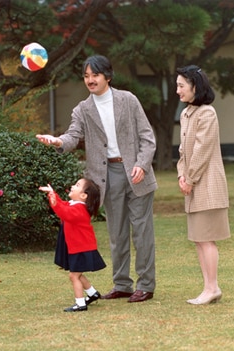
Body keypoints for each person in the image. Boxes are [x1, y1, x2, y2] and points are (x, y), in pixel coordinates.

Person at [36, 55, 157, 303]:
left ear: (107, 76)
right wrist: (57, 141)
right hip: (105, 177)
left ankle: (145, 285)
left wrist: (142, 164)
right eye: (86, 76)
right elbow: (72, 136)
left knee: (142, 232)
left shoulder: (129, 100)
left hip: (136, 172)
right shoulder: (82, 109)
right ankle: (122, 284)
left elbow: (147, 137)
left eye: (95, 75)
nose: (90, 80)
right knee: (117, 232)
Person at [176, 65, 231, 305]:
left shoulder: (207, 113)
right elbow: (182, 152)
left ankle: (212, 288)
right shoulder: (187, 113)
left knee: (207, 238)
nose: (177, 91)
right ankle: (209, 288)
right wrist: (181, 176)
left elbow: (202, 150)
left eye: (181, 86)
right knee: (199, 238)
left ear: (195, 87)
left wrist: (190, 179)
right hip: (193, 184)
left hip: (207, 185)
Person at [39, 178, 106, 312]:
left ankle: (80, 304)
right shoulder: (75, 205)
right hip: (79, 247)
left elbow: (64, 212)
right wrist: (53, 194)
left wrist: (53, 197)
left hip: (82, 248)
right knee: (77, 274)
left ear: (83, 195)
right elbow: (63, 205)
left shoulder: (79, 209)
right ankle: (93, 294)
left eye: (77, 185)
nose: (73, 186)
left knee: (74, 275)